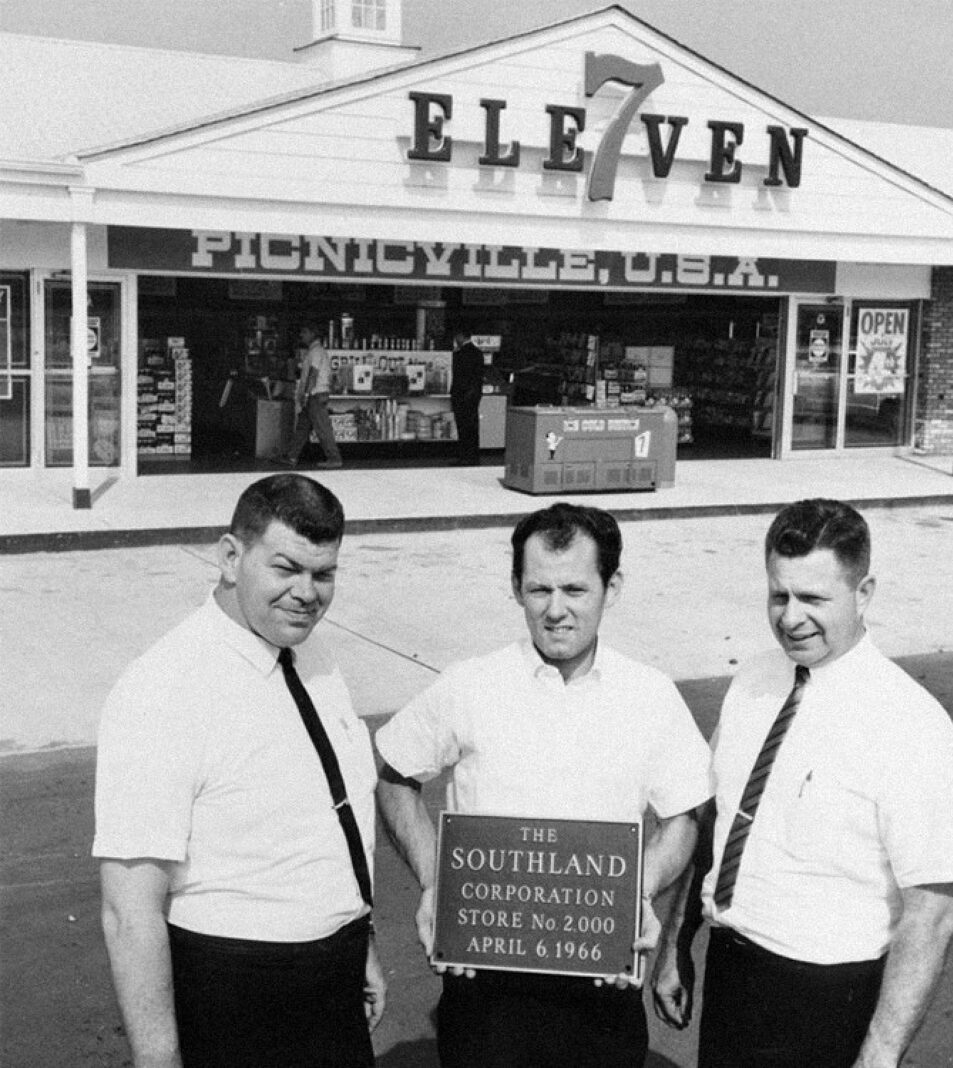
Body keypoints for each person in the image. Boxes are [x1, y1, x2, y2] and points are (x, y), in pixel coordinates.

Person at [375, 501, 711, 1068]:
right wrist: (438, 883)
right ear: (516, 588)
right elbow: (394, 776)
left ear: (612, 587)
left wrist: (639, 891)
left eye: (575, 590)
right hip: (484, 986)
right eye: (539, 590)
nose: (556, 610)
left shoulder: (650, 695)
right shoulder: (471, 684)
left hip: (603, 985)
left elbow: (684, 815)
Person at [653, 498, 953, 1068]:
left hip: (828, 998)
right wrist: (677, 942)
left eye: (813, 599)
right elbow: (717, 821)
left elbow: (932, 911)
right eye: (779, 595)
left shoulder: (911, 725)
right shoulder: (752, 681)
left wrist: (879, 1055)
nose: (791, 618)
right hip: (733, 976)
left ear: (863, 592)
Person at [94, 474, 383, 1068]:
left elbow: (329, 816)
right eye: (286, 569)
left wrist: (360, 941)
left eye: (324, 574)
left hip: (335, 977)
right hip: (236, 994)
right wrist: (158, 1059)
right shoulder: (163, 689)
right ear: (230, 557)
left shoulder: (309, 651)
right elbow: (129, 911)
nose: (306, 594)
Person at [277, 324, 343, 469]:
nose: (302, 335)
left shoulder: (316, 351)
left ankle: (334, 458)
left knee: (322, 428)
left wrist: (306, 394)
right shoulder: (313, 351)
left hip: (315, 394)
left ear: (313, 334)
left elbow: (313, 374)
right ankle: (292, 456)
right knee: (302, 427)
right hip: (313, 394)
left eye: (305, 332)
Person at [449, 330, 484, 465]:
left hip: (461, 395)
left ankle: (464, 456)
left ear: (460, 336)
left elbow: (458, 378)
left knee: (463, 427)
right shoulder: (478, 353)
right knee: (473, 427)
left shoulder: (459, 355)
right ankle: (473, 456)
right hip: (474, 396)